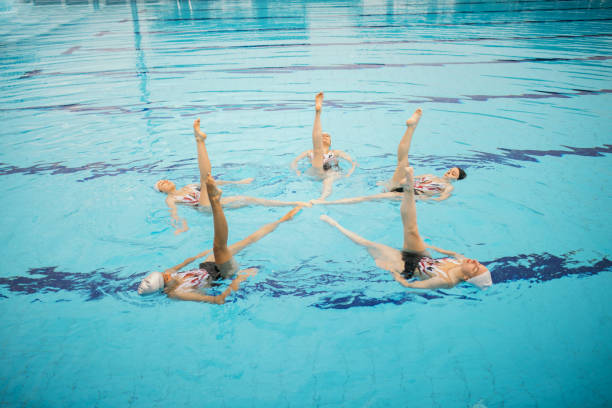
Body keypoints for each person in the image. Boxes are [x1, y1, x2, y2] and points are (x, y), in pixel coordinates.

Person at [320, 166, 491, 290]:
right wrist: (432, 247)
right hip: (424, 257)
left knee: (368, 244)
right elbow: (452, 253)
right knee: (412, 228)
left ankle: (334, 224)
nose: (475, 261)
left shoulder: (445, 282)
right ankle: (409, 189)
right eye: (479, 263)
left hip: (408, 267)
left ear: (468, 278)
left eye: (476, 267)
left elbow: (411, 286)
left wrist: (393, 272)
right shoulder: (462, 261)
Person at [139, 174, 302, 303]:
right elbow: (218, 300)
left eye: (163, 274)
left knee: (247, 240)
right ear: (162, 288)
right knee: (219, 247)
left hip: (206, 265)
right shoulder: (178, 293)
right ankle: (215, 201)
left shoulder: (166, 273)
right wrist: (239, 280)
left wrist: (200, 254)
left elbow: (187, 261)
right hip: (220, 276)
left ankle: (283, 219)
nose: (166, 274)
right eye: (165, 278)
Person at [156, 118, 310, 234]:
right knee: (206, 180)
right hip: (203, 207)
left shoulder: (188, 186)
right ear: (162, 191)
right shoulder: (171, 199)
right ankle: (199, 141)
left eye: (165, 180)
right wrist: (180, 225)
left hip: (215, 202)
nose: (165, 182)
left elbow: (219, 182)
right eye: (161, 184)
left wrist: (239, 182)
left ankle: (291, 203)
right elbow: (173, 213)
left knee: (250, 199)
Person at [313, 108, 465, 206]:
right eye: (450, 170)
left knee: (369, 198)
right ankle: (411, 128)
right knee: (402, 162)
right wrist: (386, 182)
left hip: (410, 194)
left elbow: (439, 199)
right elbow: (411, 178)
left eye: (453, 173)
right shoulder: (430, 175)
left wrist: (419, 199)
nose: (449, 172)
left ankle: (328, 202)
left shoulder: (448, 187)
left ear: (456, 179)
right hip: (404, 186)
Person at [291, 92, 357, 200]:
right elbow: (295, 161)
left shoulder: (336, 152)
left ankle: (322, 199)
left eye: (328, 136)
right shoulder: (309, 152)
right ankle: (318, 113)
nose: (325, 137)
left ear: (330, 142)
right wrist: (297, 171)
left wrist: (349, 173)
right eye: (322, 135)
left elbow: (352, 162)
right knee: (317, 152)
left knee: (328, 180)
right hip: (315, 171)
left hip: (331, 172)